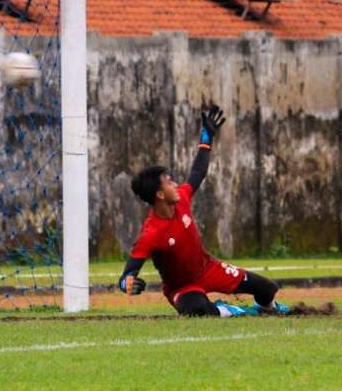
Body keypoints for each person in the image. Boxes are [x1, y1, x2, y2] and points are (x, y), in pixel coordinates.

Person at [118, 105, 292, 317]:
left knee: (267, 288)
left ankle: (269, 309)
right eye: (168, 182)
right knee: (198, 310)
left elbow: (198, 172)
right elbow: (129, 272)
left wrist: (206, 137)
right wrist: (126, 283)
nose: (175, 184)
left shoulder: (181, 198)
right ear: (160, 195)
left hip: (209, 269)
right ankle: (229, 310)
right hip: (182, 288)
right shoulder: (152, 233)